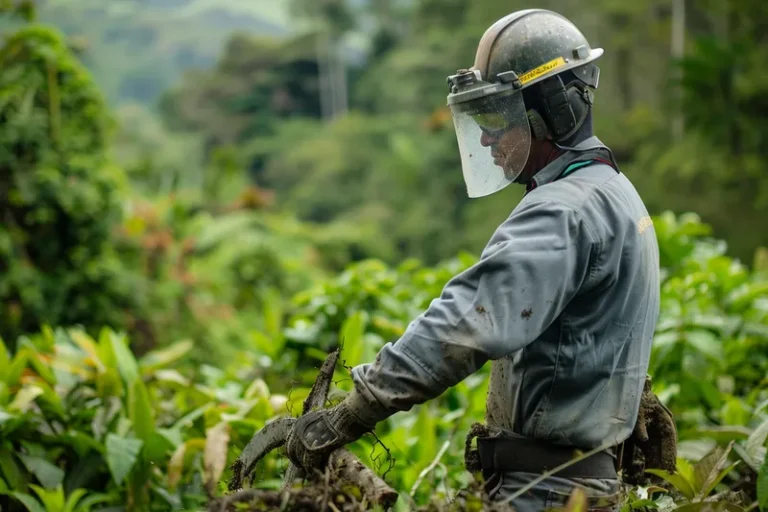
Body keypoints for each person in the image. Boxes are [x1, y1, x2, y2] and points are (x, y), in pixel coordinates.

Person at [286, 8, 676, 511]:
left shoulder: (563, 211)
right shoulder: (615, 193)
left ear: (551, 109)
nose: (489, 138)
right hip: (580, 481)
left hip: (546, 491)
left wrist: (351, 412)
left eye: (499, 119)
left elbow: (466, 322)